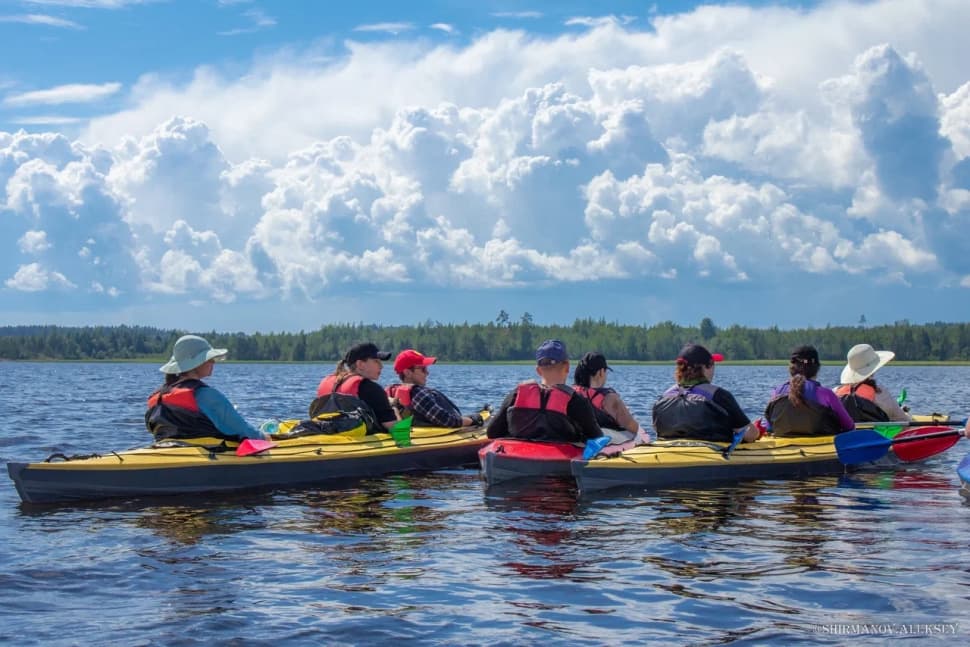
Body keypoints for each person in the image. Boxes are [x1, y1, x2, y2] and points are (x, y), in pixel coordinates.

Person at [146, 334, 269, 443]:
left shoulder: (157, 397)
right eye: (209, 359)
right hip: (211, 454)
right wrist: (265, 437)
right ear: (196, 363)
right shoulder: (206, 395)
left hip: (167, 451)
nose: (213, 362)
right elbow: (242, 429)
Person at [486, 339, 604, 442]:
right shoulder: (576, 401)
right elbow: (597, 438)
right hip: (558, 462)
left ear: (538, 370)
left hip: (516, 459)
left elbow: (492, 432)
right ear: (567, 366)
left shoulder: (517, 394)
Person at [652, 343, 760, 443]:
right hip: (713, 455)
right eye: (713, 364)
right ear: (706, 367)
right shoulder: (719, 395)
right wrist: (755, 430)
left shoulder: (663, 397)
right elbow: (750, 435)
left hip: (668, 452)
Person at [764, 345, 855, 437]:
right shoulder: (827, 395)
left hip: (784, 448)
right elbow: (849, 426)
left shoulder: (777, 392)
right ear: (817, 368)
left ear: (791, 368)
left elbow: (769, 428)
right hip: (821, 447)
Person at [386, 349, 485, 428]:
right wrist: (472, 420)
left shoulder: (391, 392)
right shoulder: (418, 394)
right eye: (423, 369)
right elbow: (447, 420)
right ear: (407, 372)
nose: (427, 373)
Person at [311, 342, 397, 432]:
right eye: (376, 361)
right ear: (360, 364)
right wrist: (394, 407)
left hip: (326, 435)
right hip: (359, 442)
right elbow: (398, 430)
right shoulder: (371, 389)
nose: (381, 366)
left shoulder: (326, 382)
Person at [572, 351, 653, 442]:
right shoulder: (609, 398)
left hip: (578, 438)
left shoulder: (572, 393)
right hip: (602, 439)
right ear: (601, 372)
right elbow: (632, 425)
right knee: (638, 436)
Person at [835, 343, 910, 422]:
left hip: (844, 431)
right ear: (872, 370)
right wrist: (906, 414)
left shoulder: (836, 392)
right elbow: (902, 419)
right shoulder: (880, 392)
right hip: (875, 432)